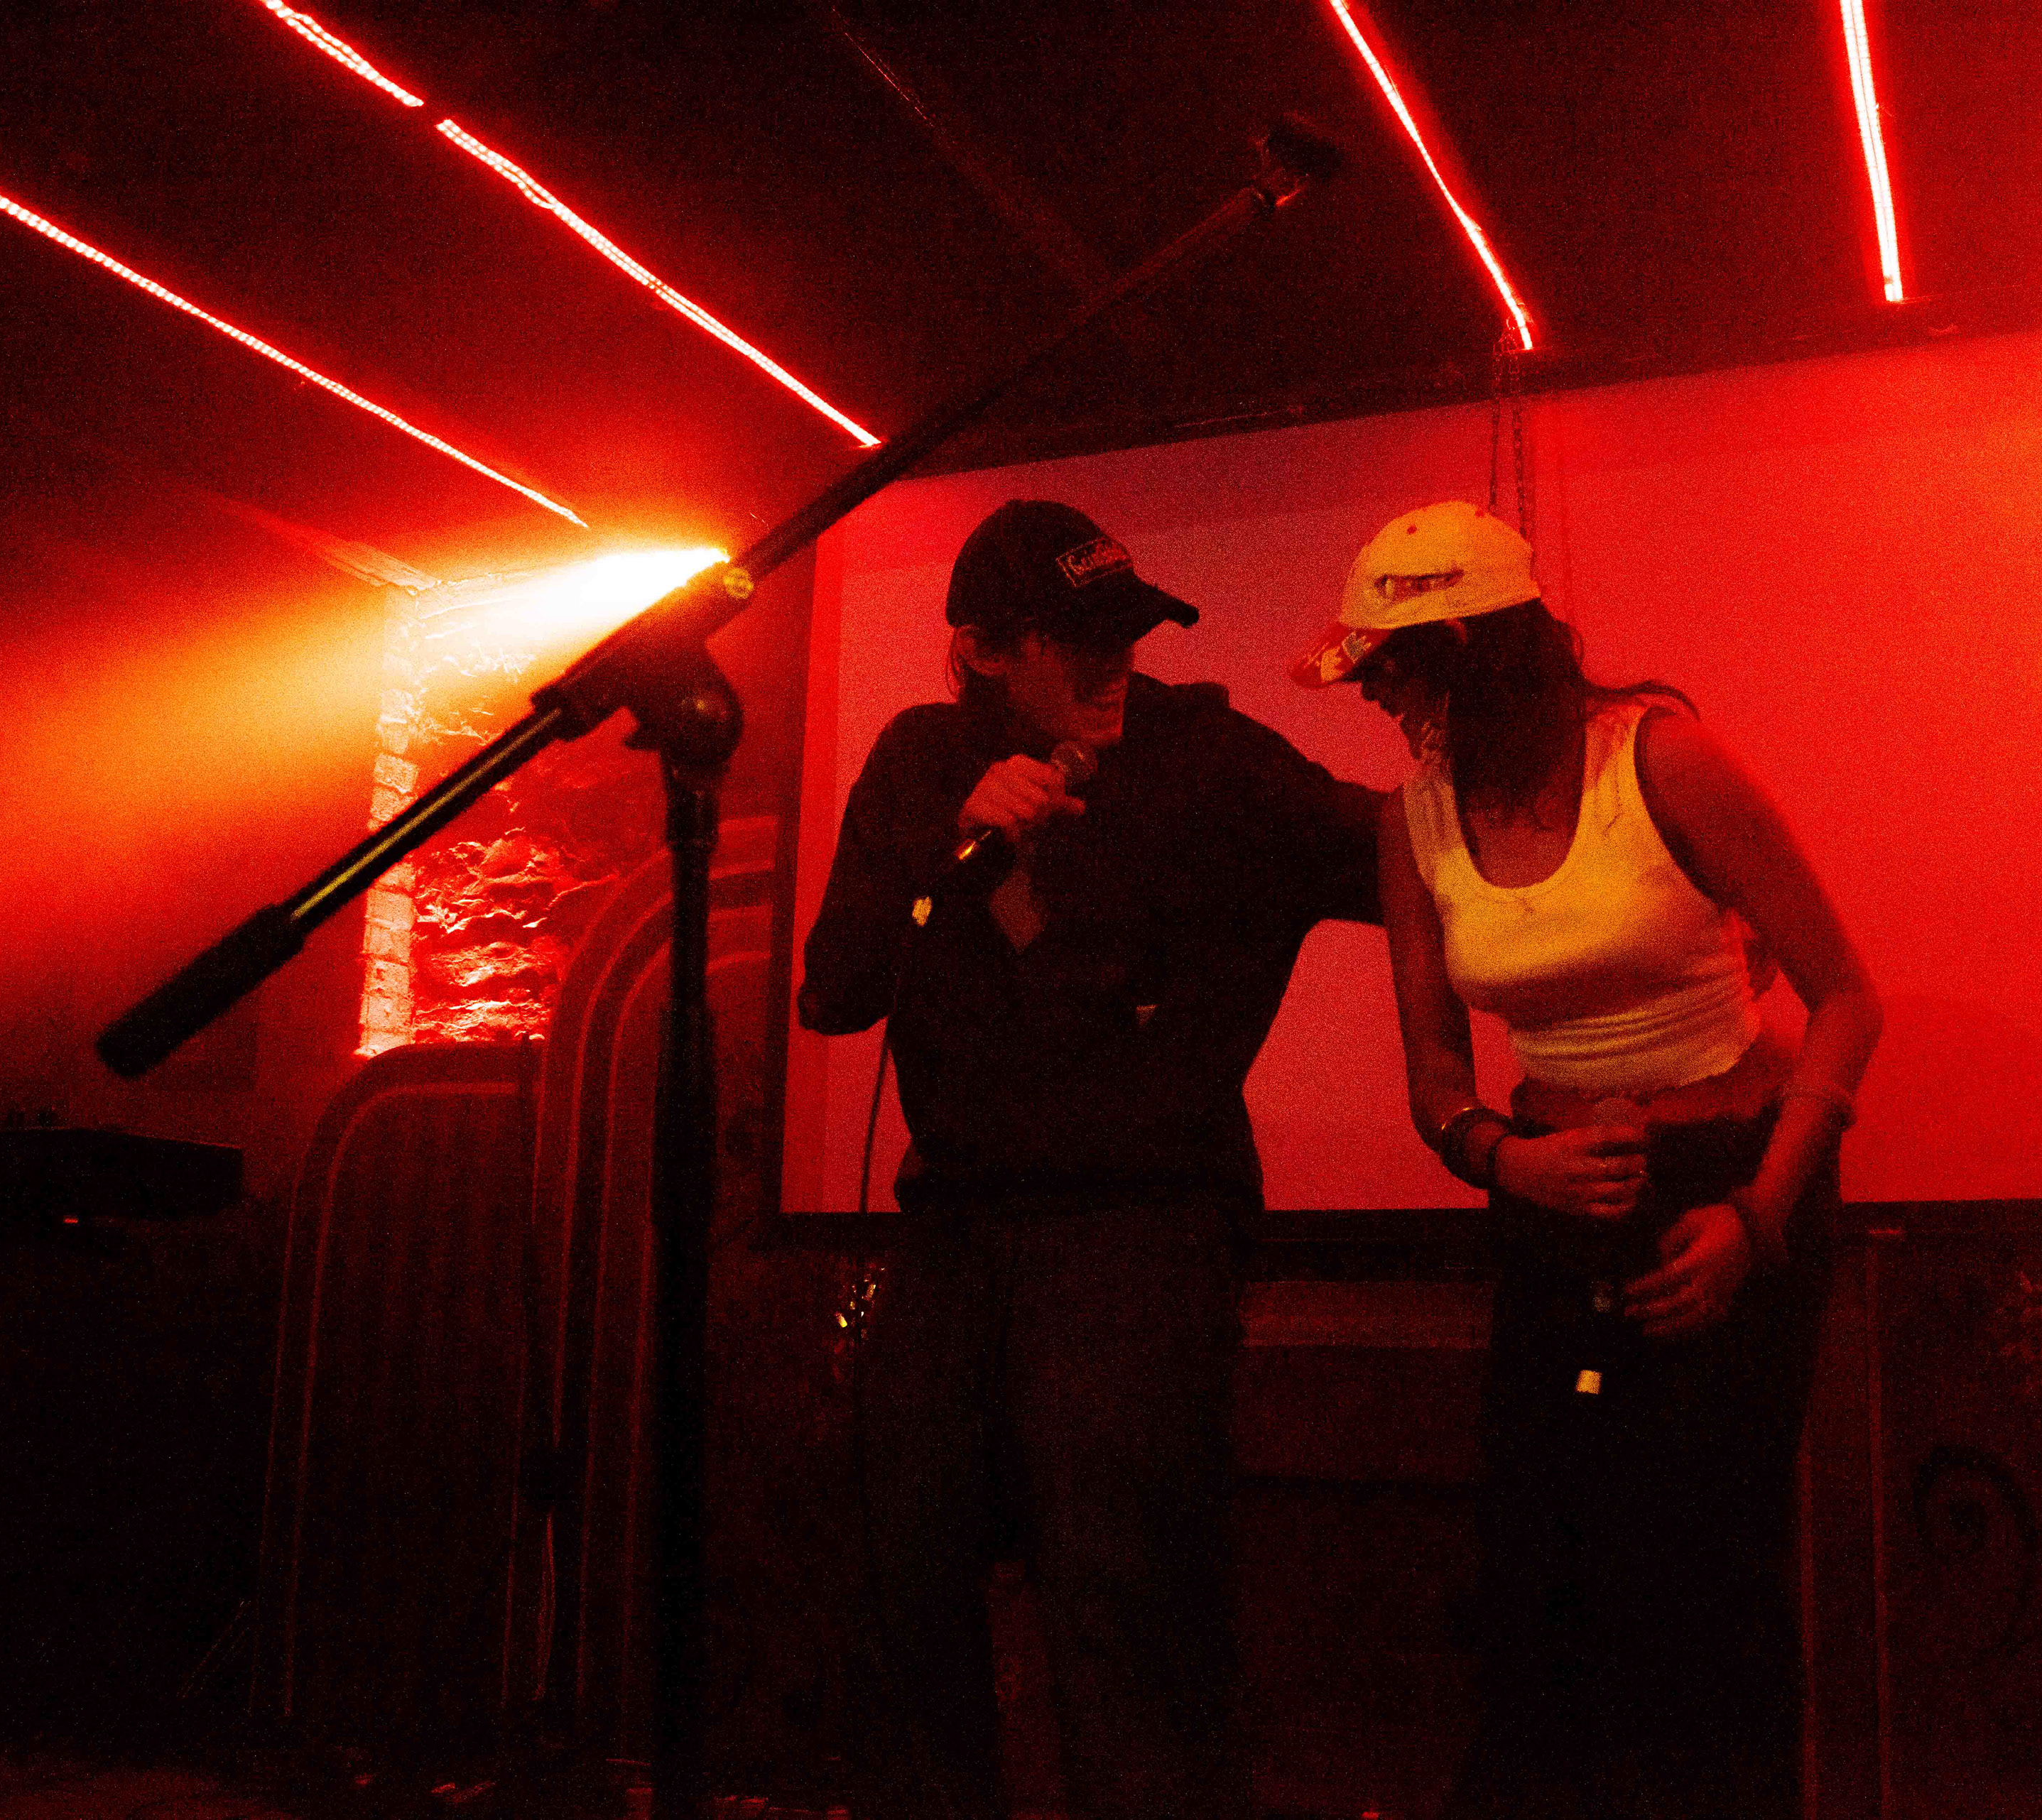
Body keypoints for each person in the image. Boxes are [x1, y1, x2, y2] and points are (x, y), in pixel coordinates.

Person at [1293, 501, 1882, 1818]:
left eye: (1396, 669)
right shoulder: (1415, 819)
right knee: (1544, 1556)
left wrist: (1760, 1218)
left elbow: (1846, 998)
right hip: (1555, 1192)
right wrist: (1504, 1160)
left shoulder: (1659, 759)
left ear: (1475, 654)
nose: (1378, 698)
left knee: (1710, 1565)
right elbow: (1436, 1076)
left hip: (1730, 1177)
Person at [798, 499, 1379, 1820]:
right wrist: (950, 844)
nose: (1118, 661)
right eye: (1080, 640)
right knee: (905, 1564)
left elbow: (1396, 850)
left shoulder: (1208, 758)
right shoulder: (921, 756)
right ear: (983, 651)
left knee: (1125, 1597)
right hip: (954, 1227)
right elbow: (833, 994)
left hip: (1138, 1226)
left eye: (1130, 629)